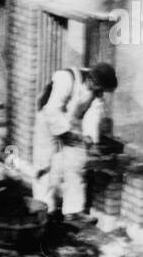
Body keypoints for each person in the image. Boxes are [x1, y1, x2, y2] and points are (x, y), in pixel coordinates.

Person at [33, 62, 117, 222]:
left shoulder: (96, 93)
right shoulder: (66, 78)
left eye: (101, 89)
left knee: (76, 163)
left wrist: (89, 138)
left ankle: (73, 209)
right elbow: (51, 109)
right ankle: (43, 207)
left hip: (69, 123)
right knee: (44, 163)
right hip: (47, 118)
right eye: (98, 87)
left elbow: (93, 116)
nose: (99, 92)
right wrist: (65, 133)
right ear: (92, 79)